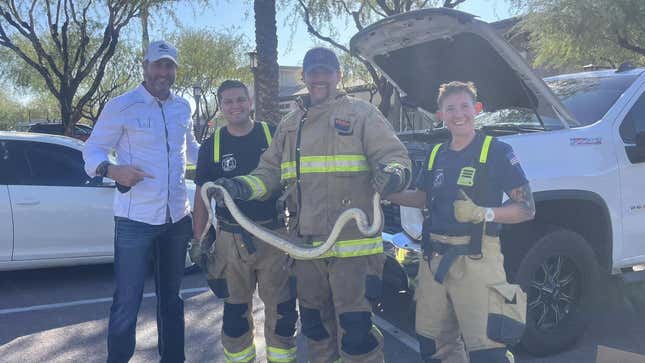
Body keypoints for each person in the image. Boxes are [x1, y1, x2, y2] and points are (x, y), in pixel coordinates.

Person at [207, 47, 411, 363]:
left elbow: (394, 156)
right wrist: (240, 187)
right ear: (304, 77)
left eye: (326, 72)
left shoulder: (362, 114)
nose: (319, 78)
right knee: (316, 330)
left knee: (356, 333)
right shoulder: (290, 126)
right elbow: (268, 173)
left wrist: (394, 174)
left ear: (338, 76)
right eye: (312, 72)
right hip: (307, 250)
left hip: (353, 251)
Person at [387, 81, 535, 363]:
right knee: (434, 347)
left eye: (464, 106)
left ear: (477, 110)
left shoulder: (497, 152)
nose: (458, 114)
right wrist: (388, 193)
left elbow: (527, 208)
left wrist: (484, 213)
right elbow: (422, 198)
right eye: (450, 108)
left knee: (489, 350)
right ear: (440, 115)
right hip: (434, 262)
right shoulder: (435, 154)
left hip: (478, 259)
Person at [83, 40, 199, 363]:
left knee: (172, 301)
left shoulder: (183, 107)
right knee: (127, 302)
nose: (163, 72)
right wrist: (112, 170)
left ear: (175, 70)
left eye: (169, 66)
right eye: (157, 65)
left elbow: (192, 150)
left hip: (177, 219)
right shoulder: (121, 105)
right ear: (145, 67)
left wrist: (229, 148)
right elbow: (91, 150)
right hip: (135, 221)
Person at [190, 80, 297, 363]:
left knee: (283, 314)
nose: (235, 106)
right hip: (231, 242)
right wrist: (198, 240)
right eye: (228, 102)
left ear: (250, 102)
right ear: (221, 108)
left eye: (240, 100)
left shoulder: (271, 135)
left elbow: (294, 180)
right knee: (235, 317)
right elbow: (202, 198)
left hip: (274, 235)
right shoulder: (212, 146)